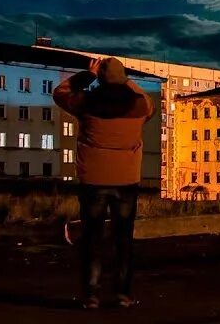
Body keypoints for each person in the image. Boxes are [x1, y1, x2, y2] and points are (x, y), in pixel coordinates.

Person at [53, 56, 155, 309]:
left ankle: (91, 295)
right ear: (122, 79)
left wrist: (89, 75)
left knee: (92, 239)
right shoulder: (139, 105)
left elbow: (60, 92)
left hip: (93, 181)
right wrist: (127, 80)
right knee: (124, 240)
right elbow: (150, 103)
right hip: (126, 181)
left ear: (100, 78)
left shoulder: (85, 103)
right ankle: (123, 295)